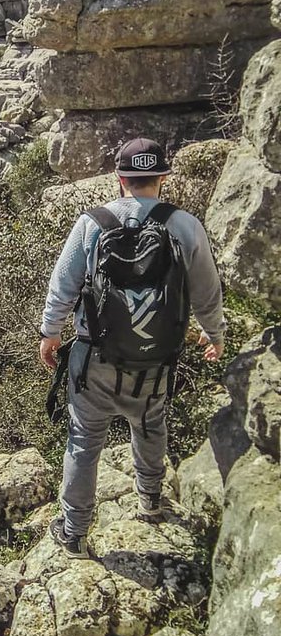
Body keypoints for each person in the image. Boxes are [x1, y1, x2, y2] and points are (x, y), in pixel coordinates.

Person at [39, 137, 225, 559]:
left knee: (84, 440)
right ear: (161, 177)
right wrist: (215, 334)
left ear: (120, 178)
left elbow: (63, 286)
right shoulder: (184, 224)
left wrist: (51, 333)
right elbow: (207, 293)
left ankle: (74, 532)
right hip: (155, 364)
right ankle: (151, 502)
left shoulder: (93, 222)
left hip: (95, 361)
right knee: (150, 425)